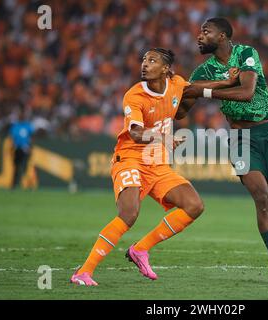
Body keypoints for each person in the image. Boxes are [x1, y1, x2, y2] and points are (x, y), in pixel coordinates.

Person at [181, 17, 268, 288]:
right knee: (263, 199)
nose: (199, 36)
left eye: (205, 31)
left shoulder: (246, 53)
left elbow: (247, 92)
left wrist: (206, 92)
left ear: (222, 36)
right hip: (240, 138)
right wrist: (171, 91)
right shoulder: (202, 72)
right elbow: (181, 108)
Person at [71, 48, 204, 286]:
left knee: (194, 205)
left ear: (165, 68)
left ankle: (140, 250)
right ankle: (83, 271)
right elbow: (134, 133)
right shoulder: (135, 95)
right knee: (129, 214)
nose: (144, 64)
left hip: (158, 164)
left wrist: (229, 81)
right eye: (143, 59)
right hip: (130, 158)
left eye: (152, 60)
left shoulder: (176, 84)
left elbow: (200, 88)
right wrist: (162, 137)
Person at [9, 108, 35, 189]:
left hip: (25, 148)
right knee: (16, 167)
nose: (22, 117)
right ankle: (14, 184)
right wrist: (11, 148)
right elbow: (13, 138)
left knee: (26, 167)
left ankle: (28, 184)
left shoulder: (28, 126)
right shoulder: (15, 126)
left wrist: (30, 147)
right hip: (17, 148)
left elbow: (32, 137)